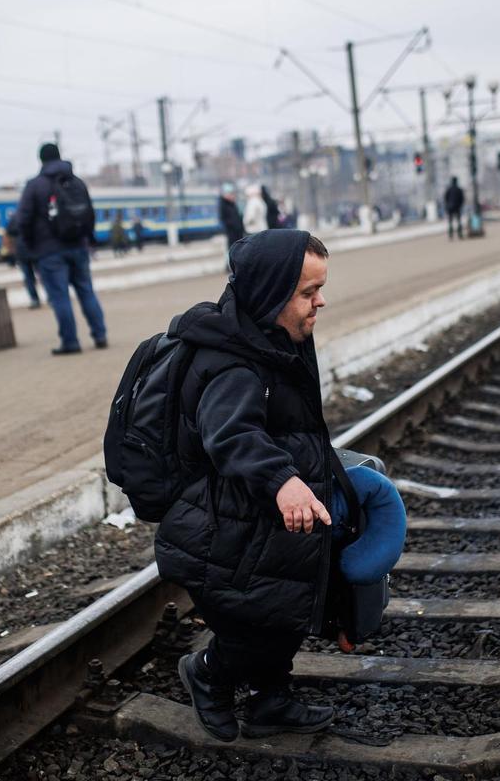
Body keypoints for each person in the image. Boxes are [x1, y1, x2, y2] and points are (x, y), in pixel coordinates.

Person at [155, 229, 337, 743]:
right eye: (307, 292)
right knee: (256, 622)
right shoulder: (232, 359)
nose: (320, 301)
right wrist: (283, 480)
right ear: (269, 293)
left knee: (284, 612)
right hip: (222, 526)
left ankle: (270, 701)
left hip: (258, 517)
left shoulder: (279, 339)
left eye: (320, 288)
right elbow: (231, 433)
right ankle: (207, 674)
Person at [17, 142, 108, 355]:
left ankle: (71, 342)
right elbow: (90, 213)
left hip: (49, 251)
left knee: (60, 297)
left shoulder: (35, 185)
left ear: (41, 160)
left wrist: (31, 245)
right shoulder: (76, 181)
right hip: (78, 245)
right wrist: (88, 239)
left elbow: (23, 219)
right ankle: (100, 335)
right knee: (86, 291)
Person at [217, 184, 245, 271]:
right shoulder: (223, 205)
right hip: (231, 230)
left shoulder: (232, 204)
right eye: (231, 194)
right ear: (226, 194)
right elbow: (224, 218)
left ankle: (235, 265)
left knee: (237, 248)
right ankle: (229, 266)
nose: (233, 196)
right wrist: (233, 225)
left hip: (237, 230)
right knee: (231, 248)